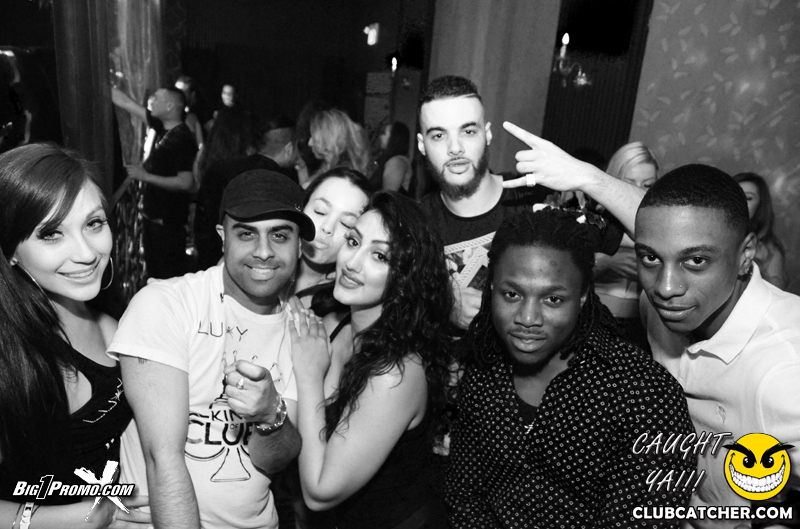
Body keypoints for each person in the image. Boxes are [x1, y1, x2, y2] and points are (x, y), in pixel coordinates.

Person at [446, 207, 696, 528]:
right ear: (491, 290)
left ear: (582, 297)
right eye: (512, 294)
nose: (527, 318)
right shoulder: (485, 366)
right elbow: (464, 493)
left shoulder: (645, 396)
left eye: (552, 300)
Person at [111, 170, 312, 529]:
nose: (263, 251)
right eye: (246, 233)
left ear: (299, 246)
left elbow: (275, 461)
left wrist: (270, 415)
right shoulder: (166, 305)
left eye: (280, 235)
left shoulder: (301, 331)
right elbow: (162, 459)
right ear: (222, 237)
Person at [634, 165, 800, 527]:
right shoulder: (660, 307)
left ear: (745, 255)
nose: (665, 287)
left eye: (695, 261)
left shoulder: (785, 371)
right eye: (650, 258)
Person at [0, 144, 150, 528]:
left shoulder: (116, 315)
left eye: (94, 223)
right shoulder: (9, 356)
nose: (86, 253)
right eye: (52, 233)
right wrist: (80, 517)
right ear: (10, 250)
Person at [290, 191, 453, 528]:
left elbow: (320, 491)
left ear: (406, 277)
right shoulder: (337, 324)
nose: (352, 262)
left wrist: (309, 377)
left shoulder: (395, 373)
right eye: (353, 241)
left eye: (379, 256)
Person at [111, 85, 198, 279]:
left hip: (168, 225)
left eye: (156, 98)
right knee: (154, 274)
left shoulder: (182, 138)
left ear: (169, 106)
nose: (151, 101)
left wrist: (145, 176)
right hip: (153, 219)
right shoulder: (160, 127)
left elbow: (186, 182)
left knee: (168, 278)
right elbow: (125, 102)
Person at [194, 114, 298, 270]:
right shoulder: (284, 182)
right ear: (289, 149)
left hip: (214, 264)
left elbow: (202, 225)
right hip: (262, 266)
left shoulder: (219, 169)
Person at [593, 141, 660, 349]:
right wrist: (606, 263)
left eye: (647, 185)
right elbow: (563, 277)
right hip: (593, 321)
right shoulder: (594, 220)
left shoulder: (662, 227)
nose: (637, 191)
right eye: (629, 182)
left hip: (641, 329)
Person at [733, 172, 787, 289]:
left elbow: (776, 292)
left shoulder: (769, 251)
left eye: (748, 198)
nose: (740, 202)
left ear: (760, 206)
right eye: (735, 196)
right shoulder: (706, 237)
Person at [299, 109, 370, 187]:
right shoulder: (330, 169)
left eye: (313, 137)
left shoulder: (340, 178)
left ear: (327, 139)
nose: (309, 143)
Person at [370, 121, 413, 194]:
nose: (381, 137)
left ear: (394, 138)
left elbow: (388, 195)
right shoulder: (395, 160)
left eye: (384, 133)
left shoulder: (396, 162)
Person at [174, 75, 205, 148]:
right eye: (176, 91)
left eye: (182, 92)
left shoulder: (199, 112)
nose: (178, 95)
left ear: (192, 94)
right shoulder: (172, 112)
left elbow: (201, 145)